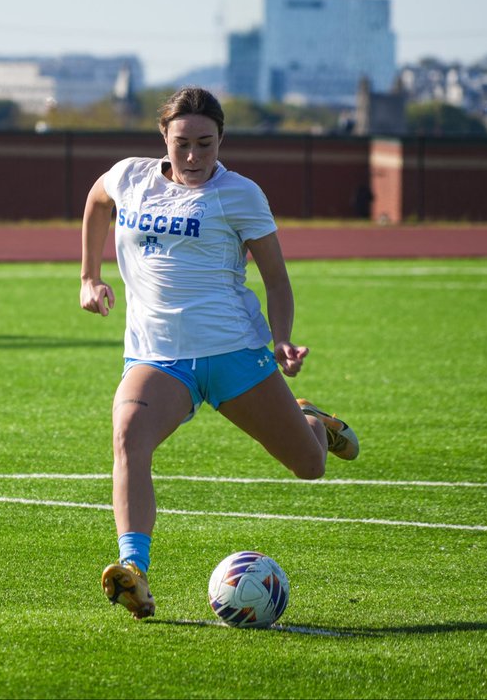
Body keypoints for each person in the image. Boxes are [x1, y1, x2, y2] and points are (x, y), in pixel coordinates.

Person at [79, 87, 359, 620]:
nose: (193, 156)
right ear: (163, 137)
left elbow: (276, 279)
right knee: (128, 437)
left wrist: (282, 338)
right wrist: (89, 277)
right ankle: (134, 568)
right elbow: (97, 201)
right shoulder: (130, 176)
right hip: (158, 359)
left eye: (205, 144)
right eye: (182, 143)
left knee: (310, 466)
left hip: (234, 354)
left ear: (221, 139)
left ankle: (313, 423)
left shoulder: (241, 194)